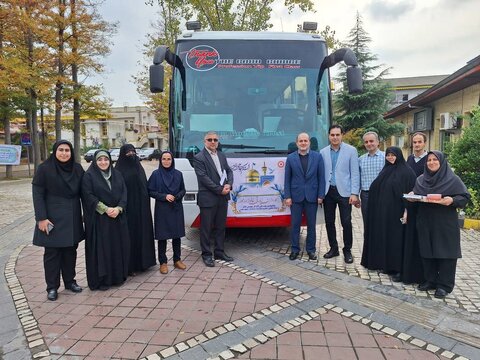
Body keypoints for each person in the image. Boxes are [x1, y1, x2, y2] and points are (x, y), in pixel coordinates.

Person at [410, 151, 470, 298]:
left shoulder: (452, 179)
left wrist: (452, 200)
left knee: (446, 253)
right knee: (427, 250)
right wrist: (412, 197)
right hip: (425, 220)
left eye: (434, 159)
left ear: (441, 161)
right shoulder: (421, 180)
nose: (431, 162)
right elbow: (417, 194)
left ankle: (444, 285)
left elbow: (464, 197)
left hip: (445, 222)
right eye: (429, 160)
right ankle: (430, 280)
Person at [32, 140, 84, 301]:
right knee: (52, 254)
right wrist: (41, 218)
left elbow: (86, 190)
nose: (64, 153)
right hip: (51, 216)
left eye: (67, 150)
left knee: (70, 251)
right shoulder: (44, 169)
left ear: (71, 152)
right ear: (54, 151)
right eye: (60, 150)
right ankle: (52, 287)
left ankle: (70, 281)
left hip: (72, 215)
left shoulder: (77, 169)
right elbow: (38, 194)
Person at [360, 147, 416, 281]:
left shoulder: (407, 172)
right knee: (384, 237)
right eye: (388, 155)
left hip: (397, 214)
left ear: (399, 156)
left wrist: (407, 210)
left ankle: (396, 267)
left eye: (393, 155)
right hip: (382, 213)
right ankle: (381, 263)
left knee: (396, 241)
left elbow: (410, 192)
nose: (390, 157)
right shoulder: (385, 170)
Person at [82, 150, 130, 290]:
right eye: (99, 160)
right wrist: (106, 209)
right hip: (100, 221)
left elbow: (124, 193)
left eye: (106, 159)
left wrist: (119, 208)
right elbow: (88, 195)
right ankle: (103, 280)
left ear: (110, 160)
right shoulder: (89, 176)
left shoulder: (117, 175)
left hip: (117, 218)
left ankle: (117, 277)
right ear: (95, 162)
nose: (103, 162)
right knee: (102, 250)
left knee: (117, 248)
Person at [193, 131, 234, 267]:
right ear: (204, 141)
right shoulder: (199, 157)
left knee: (220, 227)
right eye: (209, 139)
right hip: (208, 198)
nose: (212, 142)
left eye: (215, 140)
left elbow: (229, 171)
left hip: (222, 197)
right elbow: (203, 178)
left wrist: (229, 184)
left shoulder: (221, 155)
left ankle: (219, 252)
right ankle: (206, 255)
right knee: (206, 229)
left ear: (218, 142)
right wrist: (219, 189)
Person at [320, 124, 360, 264]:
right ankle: (334, 248)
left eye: (337, 134)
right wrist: (320, 194)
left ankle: (347, 250)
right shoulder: (323, 152)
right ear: (329, 136)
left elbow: (355, 173)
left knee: (346, 222)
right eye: (332, 135)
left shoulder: (351, 151)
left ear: (342, 135)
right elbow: (321, 174)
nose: (335, 137)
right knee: (329, 222)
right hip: (328, 191)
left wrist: (354, 193)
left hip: (345, 192)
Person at [115, 144, 156, 275]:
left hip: (142, 209)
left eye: (133, 151)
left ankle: (145, 262)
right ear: (122, 154)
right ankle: (130, 265)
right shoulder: (118, 171)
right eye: (127, 152)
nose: (131, 154)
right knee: (130, 236)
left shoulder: (139, 168)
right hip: (127, 209)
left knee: (143, 233)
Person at [284, 133, 325, 261]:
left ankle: (311, 250)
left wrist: (320, 195)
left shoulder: (317, 157)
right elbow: (287, 179)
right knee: (295, 225)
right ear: (297, 143)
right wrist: (288, 196)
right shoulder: (290, 158)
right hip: (295, 197)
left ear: (309, 143)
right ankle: (295, 250)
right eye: (300, 141)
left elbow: (321, 178)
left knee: (311, 226)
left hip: (312, 197)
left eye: (305, 141)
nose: (303, 143)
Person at [148, 151, 187, 274]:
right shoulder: (155, 174)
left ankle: (177, 260)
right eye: (164, 159)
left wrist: (176, 196)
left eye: (168, 159)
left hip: (176, 208)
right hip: (162, 209)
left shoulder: (178, 174)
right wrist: (164, 196)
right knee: (162, 237)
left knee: (177, 235)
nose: (166, 161)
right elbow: (150, 191)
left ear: (172, 160)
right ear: (160, 160)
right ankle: (163, 262)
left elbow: (183, 190)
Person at [358, 131, 385, 232]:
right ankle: (369, 246)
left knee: (381, 222)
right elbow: (358, 178)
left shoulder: (386, 157)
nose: (369, 144)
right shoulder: (360, 160)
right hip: (366, 195)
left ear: (378, 142)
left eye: (371, 141)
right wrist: (356, 195)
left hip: (382, 194)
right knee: (367, 223)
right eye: (366, 142)